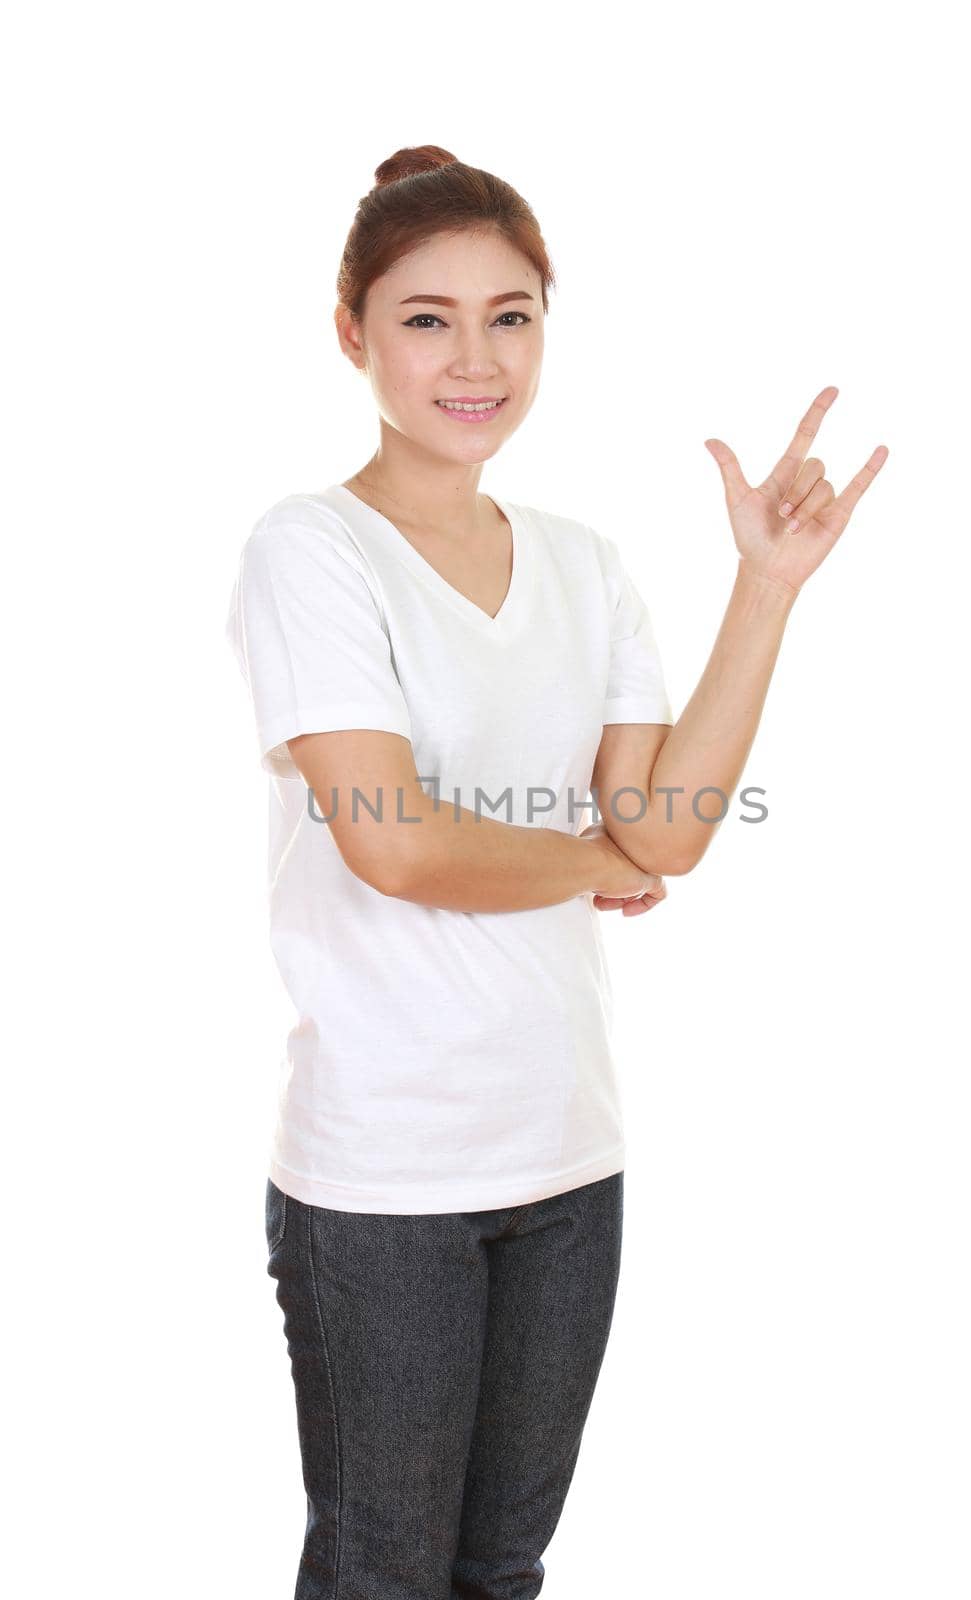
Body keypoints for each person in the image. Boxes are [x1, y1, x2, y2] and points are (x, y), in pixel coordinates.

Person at [225, 145, 888, 1600]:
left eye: (511, 316)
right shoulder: (313, 552)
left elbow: (675, 829)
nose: (476, 357)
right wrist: (599, 854)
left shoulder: (586, 567)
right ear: (353, 332)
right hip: (384, 1178)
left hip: (569, 1159)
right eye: (427, 317)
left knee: (500, 1568)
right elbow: (394, 839)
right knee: (384, 1571)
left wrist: (766, 589)